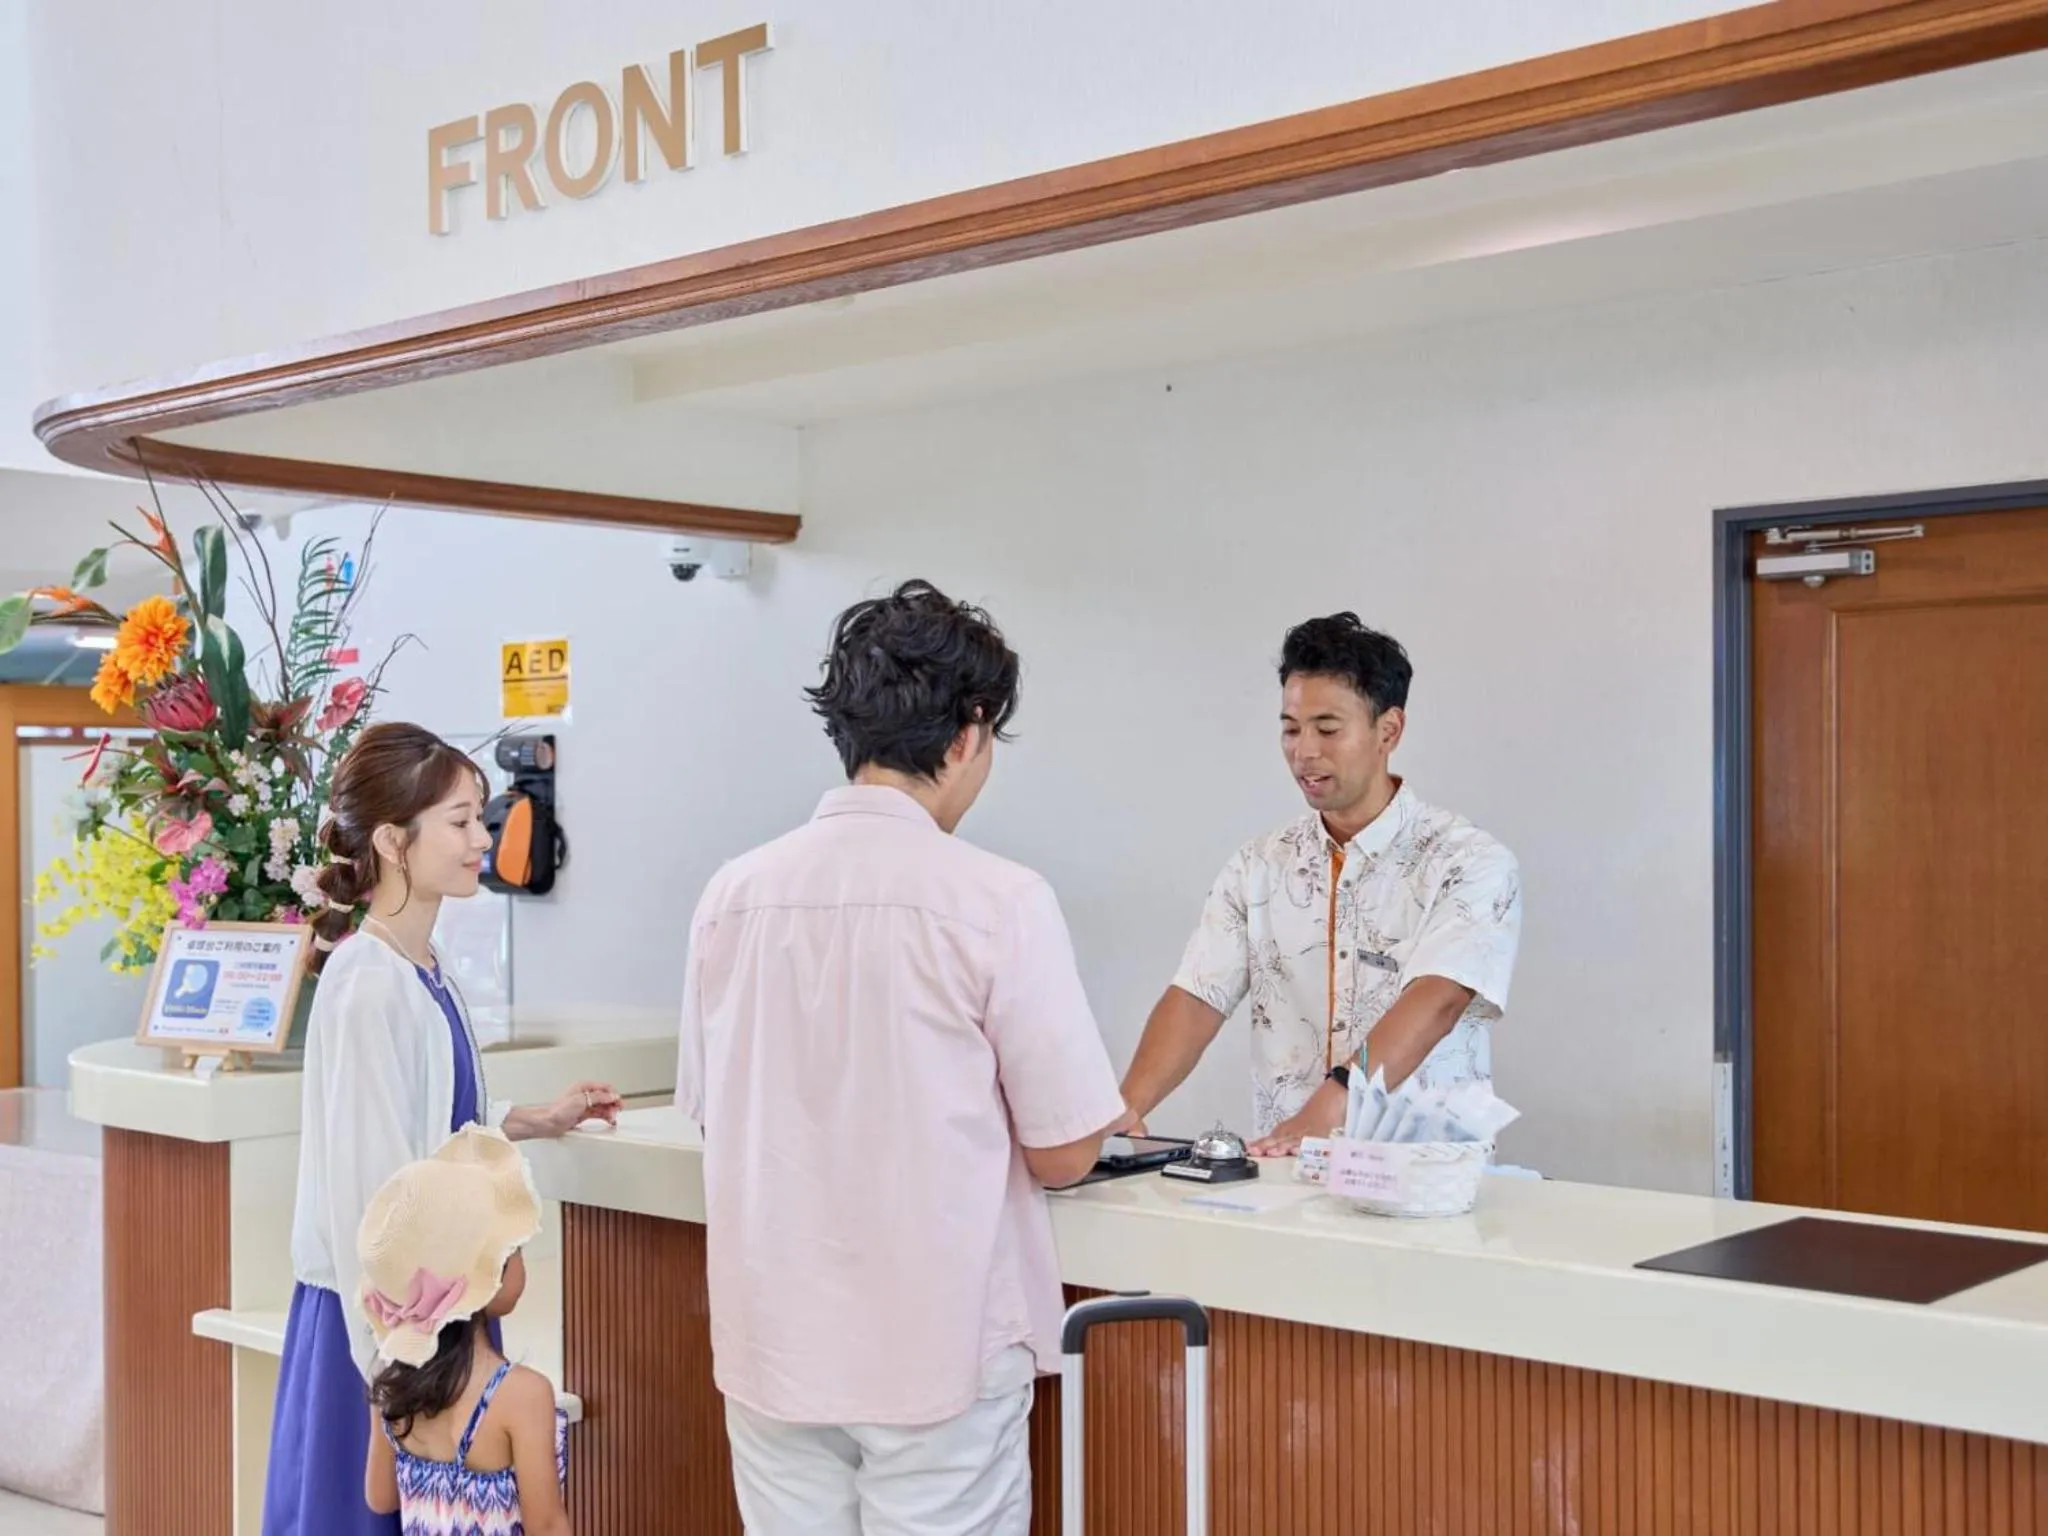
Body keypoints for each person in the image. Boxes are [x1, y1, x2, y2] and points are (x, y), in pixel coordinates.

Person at [677, 580, 1129, 1536]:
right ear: (967, 734)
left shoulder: (733, 893)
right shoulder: (998, 900)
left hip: (774, 1352)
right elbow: (1064, 1153)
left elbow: (713, 1112)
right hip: (936, 1359)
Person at [264, 723, 622, 1535]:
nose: (481, 838)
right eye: (460, 821)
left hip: (436, 1311)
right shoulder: (368, 984)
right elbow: (372, 1196)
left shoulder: (425, 970)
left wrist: (539, 1117)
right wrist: (400, 1368)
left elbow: (435, 1121)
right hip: (388, 1322)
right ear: (394, 841)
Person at [1120, 614, 1522, 1155]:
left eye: (1327, 729)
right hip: (1290, 1173)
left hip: (1427, 1180)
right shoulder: (1257, 865)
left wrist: (1329, 1107)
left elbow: (1438, 1000)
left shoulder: (1468, 861)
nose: (1304, 751)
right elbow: (1197, 996)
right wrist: (1124, 1110)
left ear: (1389, 730)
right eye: (1290, 728)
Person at [360, 1124, 569, 1536]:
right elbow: (546, 1525)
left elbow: (380, 1497)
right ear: (493, 1273)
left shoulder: (392, 1381)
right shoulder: (522, 1395)